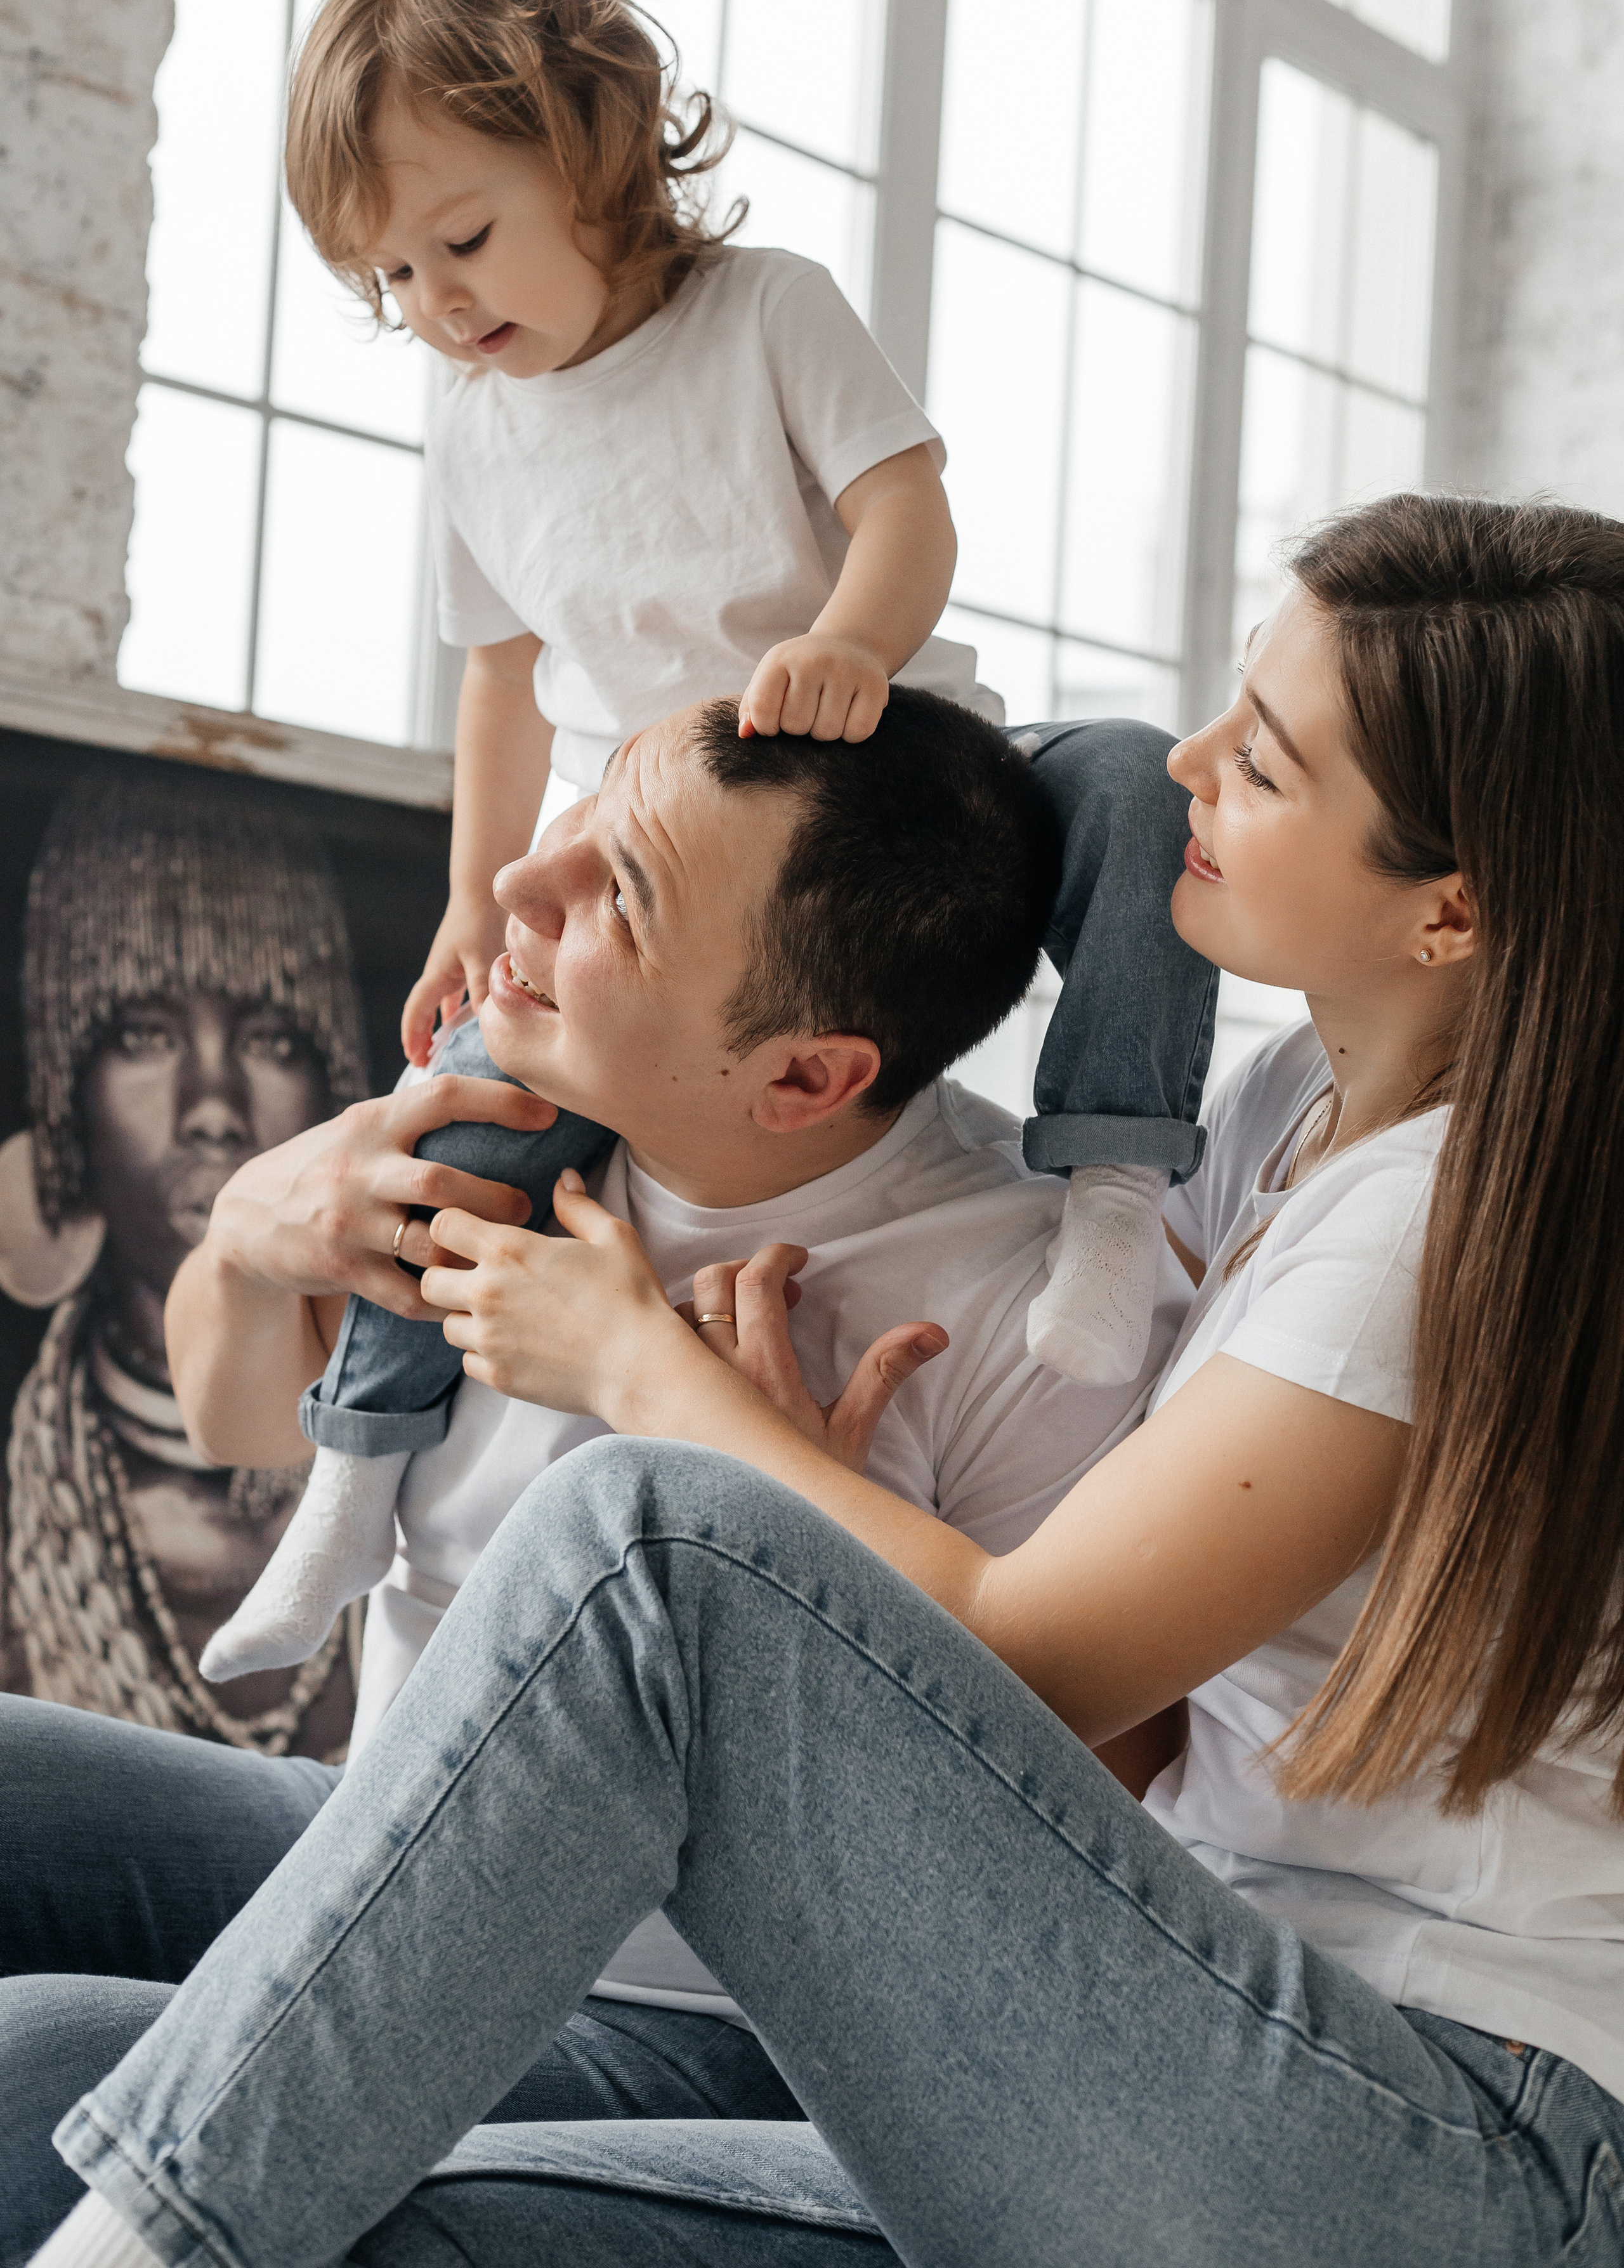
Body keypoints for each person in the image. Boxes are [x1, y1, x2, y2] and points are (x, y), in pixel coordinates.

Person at [13, 491, 1624, 2268]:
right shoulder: (1278, 1120)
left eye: (1267, 760)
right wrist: (259, 1229)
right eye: (1230, 700)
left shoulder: (1432, 1220)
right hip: (1192, 2003)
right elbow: (946, 822)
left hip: (1439, 2131)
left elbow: (1050, 1660)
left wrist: (653, 1376)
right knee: (43, 2068)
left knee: (648, 1543)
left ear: (1455, 912)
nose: (1188, 761)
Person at [280, 0, 1183, 1431]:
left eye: (464, 239)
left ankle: (1109, 1187)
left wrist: (852, 643)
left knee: (1134, 787)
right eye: (390, 280)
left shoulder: (765, 308)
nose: (438, 303)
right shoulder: (470, 427)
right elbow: (501, 679)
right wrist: (468, 892)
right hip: (673, 868)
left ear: (589, 145)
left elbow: (901, 504)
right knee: (465, 1120)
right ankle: (358, 1471)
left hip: (899, 774)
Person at [197, 701, 1215, 1689]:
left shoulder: (1044, 1325)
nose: (517, 879)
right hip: (354, 1804)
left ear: (803, 1080)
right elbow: (238, 1434)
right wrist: (243, 1236)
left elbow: (1085, 1790)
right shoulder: (499, 1105)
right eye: (593, 800)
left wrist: (798, 1539)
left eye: (626, 900)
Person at [0, 775, 367, 1762]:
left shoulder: (435, 1458)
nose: (213, 1106)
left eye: (271, 1038)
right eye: (148, 1035)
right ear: (65, 1085)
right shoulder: (23, 1521)